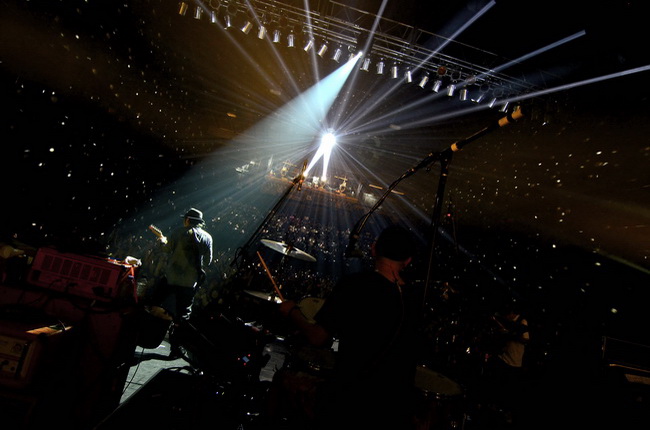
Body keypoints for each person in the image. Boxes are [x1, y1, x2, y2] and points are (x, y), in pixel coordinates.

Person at [277, 225, 424, 429]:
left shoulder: (355, 285)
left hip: (349, 401)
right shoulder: (415, 300)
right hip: (393, 408)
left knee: (283, 380)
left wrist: (291, 311)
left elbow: (318, 338)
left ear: (373, 249)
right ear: (408, 260)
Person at [151, 207, 213, 357]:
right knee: (183, 316)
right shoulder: (208, 237)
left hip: (171, 278)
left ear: (187, 220)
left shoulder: (178, 232)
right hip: (189, 283)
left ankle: (146, 333)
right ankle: (176, 348)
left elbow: (166, 249)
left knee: (154, 302)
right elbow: (208, 261)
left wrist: (162, 240)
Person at [483, 302, 530, 426]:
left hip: (514, 361)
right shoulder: (508, 321)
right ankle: (494, 408)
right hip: (504, 357)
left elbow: (526, 339)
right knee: (497, 384)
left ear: (511, 313)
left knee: (509, 390)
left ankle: (506, 414)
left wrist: (510, 335)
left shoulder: (522, 321)